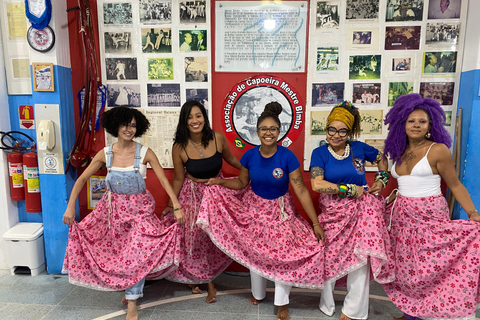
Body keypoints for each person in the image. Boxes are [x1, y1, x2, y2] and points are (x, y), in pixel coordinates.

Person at [198, 102, 325, 320]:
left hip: (280, 214)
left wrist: (315, 223)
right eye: (264, 129)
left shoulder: (287, 157)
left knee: (284, 255)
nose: (268, 133)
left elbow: (301, 190)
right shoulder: (249, 155)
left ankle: (282, 302)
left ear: (279, 131)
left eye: (273, 129)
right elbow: (241, 183)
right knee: (255, 252)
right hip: (253, 211)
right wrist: (219, 182)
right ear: (257, 132)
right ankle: (258, 293)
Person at [62, 107, 186, 320]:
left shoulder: (145, 152)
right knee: (120, 254)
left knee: (136, 253)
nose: (129, 129)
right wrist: (69, 206)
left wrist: (176, 206)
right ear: (116, 126)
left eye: (133, 125)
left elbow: (165, 180)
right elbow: (81, 179)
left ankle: (132, 301)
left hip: (140, 213)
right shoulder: (106, 154)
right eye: (125, 124)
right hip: (113, 213)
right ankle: (129, 289)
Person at [381, 93, 480, 320]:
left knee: (430, 267)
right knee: (407, 270)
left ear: (430, 125)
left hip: (430, 217)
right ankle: (411, 313)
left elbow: (455, 184)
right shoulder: (397, 150)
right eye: (411, 121)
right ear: (402, 124)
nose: (416, 125)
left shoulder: (438, 150)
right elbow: (387, 176)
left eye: (422, 121)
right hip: (402, 218)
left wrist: (473, 213)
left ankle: (438, 312)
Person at [309, 101, 395, 320]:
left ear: (349, 132)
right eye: (332, 129)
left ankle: (353, 309)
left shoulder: (358, 148)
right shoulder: (320, 153)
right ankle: (326, 303)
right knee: (328, 257)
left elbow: (381, 159)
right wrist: (347, 189)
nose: (336, 135)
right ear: (326, 129)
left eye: (342, 130)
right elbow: (316, 184)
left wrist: (382, 178)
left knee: (360, 259)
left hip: (362, 212)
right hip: (333, 214)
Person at [160, 100, 242, 303]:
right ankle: (202, 281)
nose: (195, 120)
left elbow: (231, 160)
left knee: (213, 237)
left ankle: (209, 281)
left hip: (216, 192)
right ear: (184, 122)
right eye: (190, 117)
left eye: (198, 115)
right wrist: (171, 205)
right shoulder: (179, 147)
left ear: (204, 117)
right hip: (192, 195)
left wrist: (251, 170)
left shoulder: (218, 138)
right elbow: (179, 178)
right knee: (194, 238)